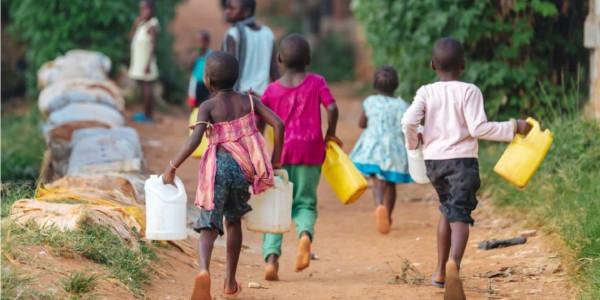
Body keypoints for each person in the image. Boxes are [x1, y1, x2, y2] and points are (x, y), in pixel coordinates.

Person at [401, 37, 531, 300]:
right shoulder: (470, 91)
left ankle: (439, 271)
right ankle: (454, 267)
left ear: (432, 65)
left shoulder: (426, 91)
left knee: (446, 211)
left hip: (434, 164)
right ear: (463, 64)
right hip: (462, 162)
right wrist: (513, 126)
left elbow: (408, 121)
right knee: (460, 216)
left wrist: (415, 142)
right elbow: (478, 129)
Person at [162, 52, 284, 300]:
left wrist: (172, 166)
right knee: (233, 221)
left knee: (209, 223)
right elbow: (279, 125)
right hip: (243, 170)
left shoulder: (207, 107)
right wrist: (275, 160)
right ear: (236, 77)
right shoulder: (249, 101)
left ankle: (204, 270)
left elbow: (195, 139)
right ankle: (229, 281)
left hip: (216, 170)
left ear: (207, 81)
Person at [260, 34, 341, 281]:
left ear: (279, 59)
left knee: (276, 207)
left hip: (280, 155)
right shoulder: (317, 82)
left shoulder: (271, 90)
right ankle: (304, 236)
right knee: (304, 202)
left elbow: (259, 120)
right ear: (308, 59)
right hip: (311, 152)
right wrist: (331, 133)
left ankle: (271, 259)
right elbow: (333, 108)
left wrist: (261, 149)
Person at [350, 66, 412, 235]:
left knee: (377, 180)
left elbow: (362, 124)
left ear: (375, 85)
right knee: (390, 183)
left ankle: (379, 205)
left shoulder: (370, 101)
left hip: (373, 147)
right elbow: (407, 127)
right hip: (394, 149)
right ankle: (389, 216)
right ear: (396, 85)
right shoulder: (402, 105)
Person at [222, 0, 278, 95]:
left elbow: (228, 70)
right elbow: (274, 72)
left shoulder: (233, 34)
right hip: (262, 99)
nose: (227, 11)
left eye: (232, 8)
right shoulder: (267, 33)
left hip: (240, 98)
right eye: (227, 8)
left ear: (247, 11)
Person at [129, 0, 159, 122]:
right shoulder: (142, 23)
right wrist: (136, 24)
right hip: (140, 61)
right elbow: (131, 36)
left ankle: (148, 115)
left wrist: (147, 64)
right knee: (144, 87)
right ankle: (147, 113)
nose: (143, 12)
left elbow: (153, 45)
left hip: (146, 63)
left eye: (146, 9)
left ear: (151, 10)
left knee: (147, 88)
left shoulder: (152, 25)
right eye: (141, 9)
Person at [187, 30, 212, 108]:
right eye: (196, 41)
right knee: (193, 103)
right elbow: (189, 67)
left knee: (206, 102)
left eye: (201, 41)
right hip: (195, 82)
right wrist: (195, 56)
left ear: (207, 42)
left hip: (207, 84)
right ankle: (193, 118)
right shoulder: (194, 54)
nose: (198, 44)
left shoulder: (211, 55)